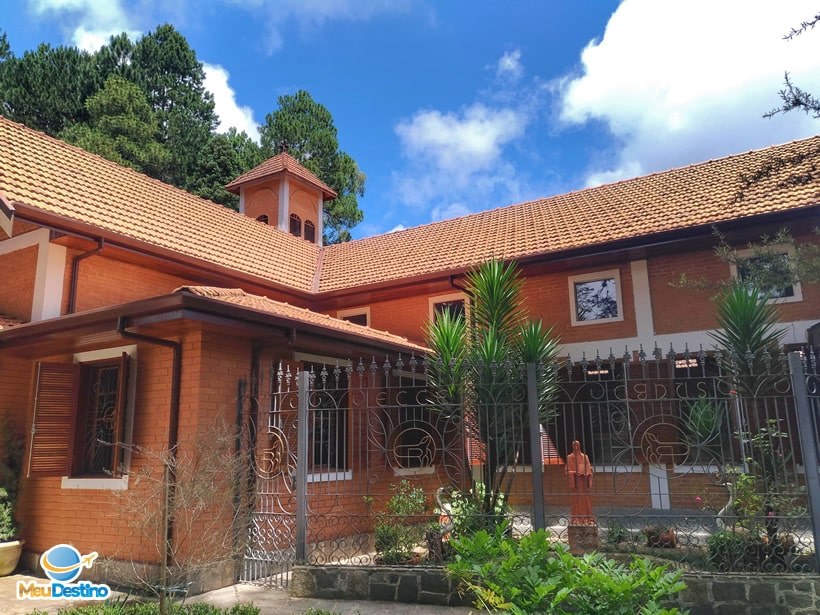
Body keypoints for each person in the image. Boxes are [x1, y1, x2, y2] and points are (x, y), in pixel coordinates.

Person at [565, 440, 594, 525]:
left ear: (580, 446)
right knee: (576, 501)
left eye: (577, 445)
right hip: (576, 484)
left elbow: (590, 469)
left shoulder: (585, 457)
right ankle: (576, 518)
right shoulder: (569, 457)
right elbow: (567, 471)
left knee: (585, 500)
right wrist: (574, 473)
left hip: (583, 483)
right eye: (574, 446)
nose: (576, 447)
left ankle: (587, 519)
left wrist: (586, 472)